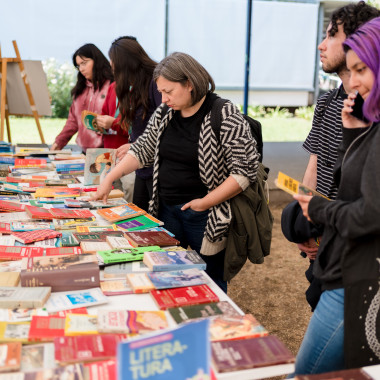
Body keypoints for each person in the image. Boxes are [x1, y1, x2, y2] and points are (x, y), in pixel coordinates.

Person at [92, 52, 259, 292]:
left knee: (211, 279)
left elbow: (245, 170)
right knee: (166, 275)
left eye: (168, 92)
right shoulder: (164, 113)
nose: (163, 99)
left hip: (206, 215)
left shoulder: (223, 113)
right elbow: (142, 150)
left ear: (189, 84)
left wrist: (205, 202)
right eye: (161, 92)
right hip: (167, 211)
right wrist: (109, 177)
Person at [292, 17, 380, 375]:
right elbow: (350, 184)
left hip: (359, 279)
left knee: (306, 372)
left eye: (362, 69)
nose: (354, 80)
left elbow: (368, 214)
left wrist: (318, 209)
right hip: (347, 265)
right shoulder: (356, 117)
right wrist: (353, 135)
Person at [96, 36, 161, 209]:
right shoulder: (135, 85)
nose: (113, 71)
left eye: (114, 66)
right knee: (138, 212)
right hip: (141, 164)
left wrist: (134, 145)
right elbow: (140, 128)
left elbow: (160, 127)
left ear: (126, 65)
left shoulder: (155, 84)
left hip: (157, 169)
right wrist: (133, 144)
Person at [51, 44, 113, 152]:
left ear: (96, 60)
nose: (81, 69)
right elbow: (73, 121)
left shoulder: (112, 86)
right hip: (83, 153)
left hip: (107, 152)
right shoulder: (80, 90)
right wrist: (58, 143)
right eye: (78, 66)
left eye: (84, 63)